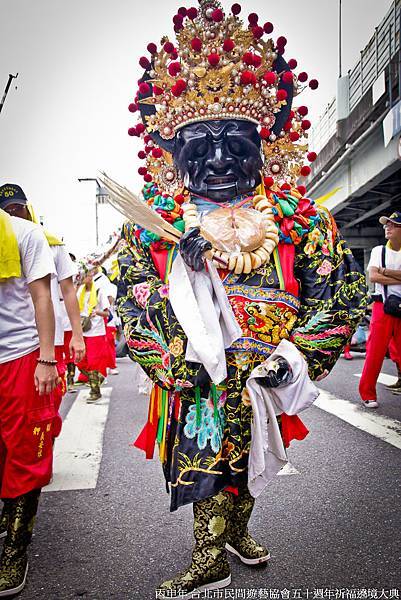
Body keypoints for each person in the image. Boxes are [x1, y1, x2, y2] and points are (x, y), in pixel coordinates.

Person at [116, 2, 367, 597]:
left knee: (247, 454)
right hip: (197, 371)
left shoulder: (302, 219)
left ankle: (234, 532)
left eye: (237, 143)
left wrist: (295, 356)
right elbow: (132, 296)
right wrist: (172, 356)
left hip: (265, 364)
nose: (222, 160)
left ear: (267, 143)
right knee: (204, 459)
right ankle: (209, 555)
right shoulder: (154, 228)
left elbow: (339, 297)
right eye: (200, 146)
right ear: (171, 153)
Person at [0, 184, 59, 597]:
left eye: (19, 206)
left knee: (24, 449)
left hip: (19, 355)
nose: (15, 210)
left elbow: (45, 296)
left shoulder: (25, 234)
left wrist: (47, 358)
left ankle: (15, 549)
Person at [1, 194, 85, 431]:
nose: (13, 214)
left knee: (48, 401)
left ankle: (45, 438)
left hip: (46, 340)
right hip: (19, 344)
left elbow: (68, 292)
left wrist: (77, 336)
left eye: (18, 208)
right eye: (7, 210)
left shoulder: (49, 244)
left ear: (29, 209)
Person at [359, 211, 401, 407]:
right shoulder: (378, 251)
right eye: (386, 225)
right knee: (375, 352)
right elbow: (373, 277)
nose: (387, 228)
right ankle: (368, 394)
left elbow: (378, 273)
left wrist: (384, 271)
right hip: (382, 306)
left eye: (393, 225)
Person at [76, 269, 110, 402]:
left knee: (93, 362)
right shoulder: (80, 292)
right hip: (82, 330)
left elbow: (108, 314)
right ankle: (97, 378)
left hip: (96, 332)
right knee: (80, 362)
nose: (85, 277)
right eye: (83, 275)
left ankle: (95, 391)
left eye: (87, 275)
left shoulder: (99, 291)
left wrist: (97, 312)